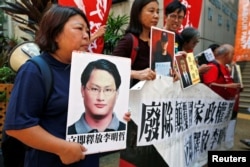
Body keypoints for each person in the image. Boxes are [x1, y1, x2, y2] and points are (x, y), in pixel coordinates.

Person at [2, 4, 131, 167]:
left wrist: (115, 115)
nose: (86, 36)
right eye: (79, 29)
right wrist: (62, 148)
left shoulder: (84, 70)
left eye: (88, 31)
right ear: (55, 33)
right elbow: (18, 126)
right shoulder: (35, 71)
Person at [67, 59, 125, 134]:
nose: (100, 98)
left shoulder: (126, 131)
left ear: (117, 93)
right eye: (94, 89)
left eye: (108, 90)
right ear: (82, 90)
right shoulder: (68, 133)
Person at [112, 0, 159, 87]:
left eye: (157, 12)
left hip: (155, 97)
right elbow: (109, 68)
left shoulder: (157, 41)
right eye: (151, 11)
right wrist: (135, 74)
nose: (156, 16)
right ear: (138, 14)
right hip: (133, 98)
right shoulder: (129, 41)